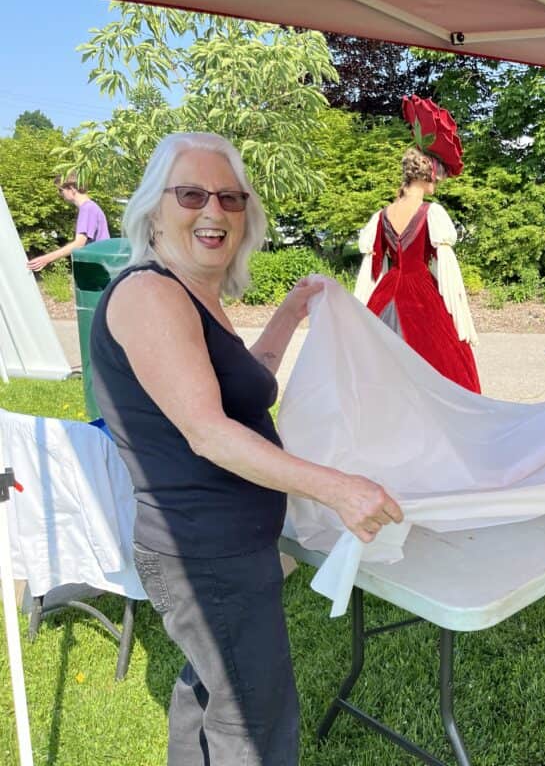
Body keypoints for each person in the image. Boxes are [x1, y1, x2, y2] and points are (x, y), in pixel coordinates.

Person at [89, 132, 403, 765]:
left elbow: (242, 388)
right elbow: (208, 431)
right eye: (193, 194)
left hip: (223, 546)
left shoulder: (192, 294)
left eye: (231, 198)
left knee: (212, 688)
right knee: (253, 719)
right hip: (202, 552)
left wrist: (289, 312)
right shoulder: (150, 294)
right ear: (155, 207)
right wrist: (339, 487)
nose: (215, 211)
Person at [354, 95, 480, 393]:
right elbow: (450, 276)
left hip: (386, 295)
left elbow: (370, 273)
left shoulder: (382, 215)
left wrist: (358, 314)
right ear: (428, 174)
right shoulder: (431, 213)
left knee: (381, 370)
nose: (439, 183)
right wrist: (461, 320)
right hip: (421, 295)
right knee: (443, 366)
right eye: (438, 176)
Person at [27, 172, 110, 271]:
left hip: (99, 268)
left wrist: (46, 259)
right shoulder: (89, 208)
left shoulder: (87, 209)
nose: (60, 194)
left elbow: (79, 244)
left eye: (60, 190)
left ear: (72, 188)